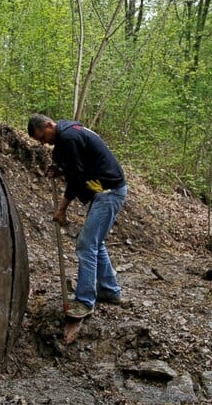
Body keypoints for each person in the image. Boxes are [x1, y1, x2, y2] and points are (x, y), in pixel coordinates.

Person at [27, 113, 127, 319]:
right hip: (106, 190)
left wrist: (62, 209)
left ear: (48, 125)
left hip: (108, 192)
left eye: (42, 137)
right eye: (40, 141)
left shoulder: (69, 138)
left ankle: (85, 301)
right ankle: (110, 290)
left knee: (86, 244)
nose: (44, 143)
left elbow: (76, 177)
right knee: (95, 243)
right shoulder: (70, 133)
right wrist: (59, 169)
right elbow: (77, 166)